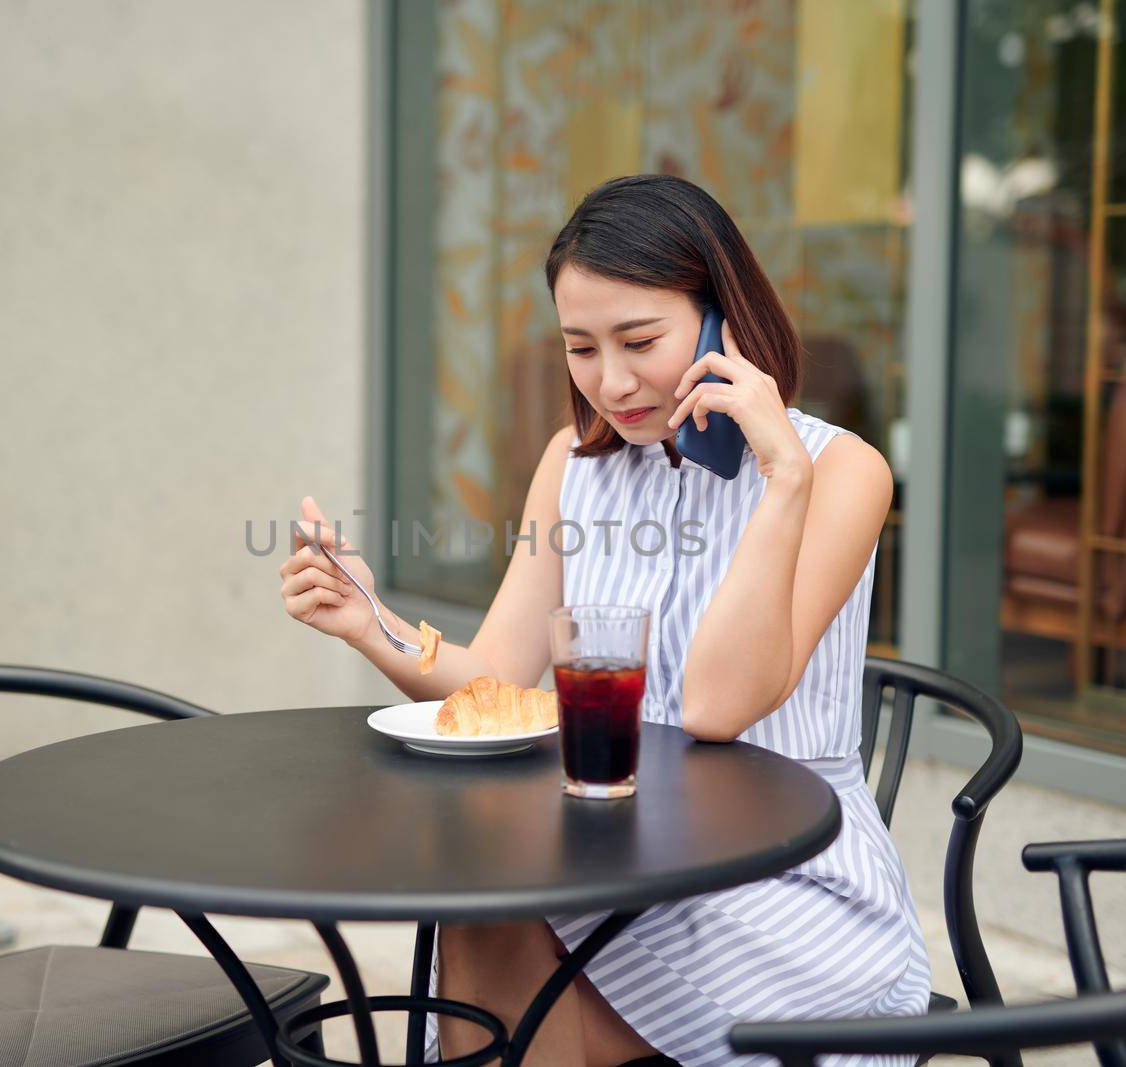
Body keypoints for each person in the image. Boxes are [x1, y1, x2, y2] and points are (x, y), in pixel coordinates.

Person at [278, 174, 930, 1067]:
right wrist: (372, 623)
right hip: (616, 847)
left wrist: (780, 483)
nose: (611, 381)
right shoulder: (575, 465)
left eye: (640, 340)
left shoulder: (839, 471)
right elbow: (498, 685)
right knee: (485, 901)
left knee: (505, 947)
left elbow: (715, 708)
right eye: (580, 347)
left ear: (721, 322)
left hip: (775, 877)